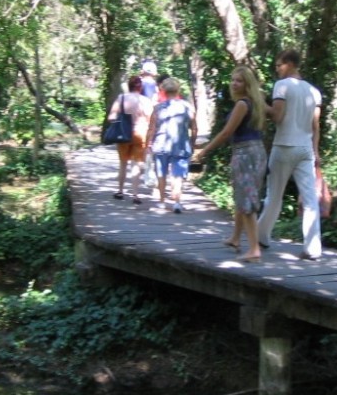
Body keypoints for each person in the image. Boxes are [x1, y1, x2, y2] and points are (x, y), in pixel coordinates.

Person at [193, 66, 267, 261]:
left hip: (245, 153)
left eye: (239, 81)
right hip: (258, 151)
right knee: (244, 196)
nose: (234, 84)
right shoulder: (257, 102)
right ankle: (236, 238)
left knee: (246, 199)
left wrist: (205, 151)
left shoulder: (242, 104)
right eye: (233, 80)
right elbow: (275, 114)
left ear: (247, 84)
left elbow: (226, 132)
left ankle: (254, 250)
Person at [256, 48, 323, 260]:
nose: (277, 70)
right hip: (305, 149)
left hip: (284, 145)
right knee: (310, 199)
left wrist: (259, 103)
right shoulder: (314, 91)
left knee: (274, 196)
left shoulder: (282, 86)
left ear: (291, 64)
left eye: (279, 65)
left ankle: (260, 236)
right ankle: (313, 248)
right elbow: (315, 125)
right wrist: (316, 151)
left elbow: (277, 116)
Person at [146, 77, 197, 214]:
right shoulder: (187, 107)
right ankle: (177, 202)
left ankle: (162, 202)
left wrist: (147, 144)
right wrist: (192, 143)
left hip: (160, 145)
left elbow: (151, 129)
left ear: (163, 90)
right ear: (178, 90)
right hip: (181, 145)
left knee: (161, 173)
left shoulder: (157, 108)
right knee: (178, 175)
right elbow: (194, 128)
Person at [106, 75, 155, 204]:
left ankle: (120, 191)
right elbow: (152, 121)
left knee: (123, 163)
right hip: (141, 133)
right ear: (141, 87)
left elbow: (111, 117)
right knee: (137, 164)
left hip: (124, 133)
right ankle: (135, 195)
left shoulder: (121, 98)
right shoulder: (146, 101)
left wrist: (120, 120)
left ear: (129, 86)